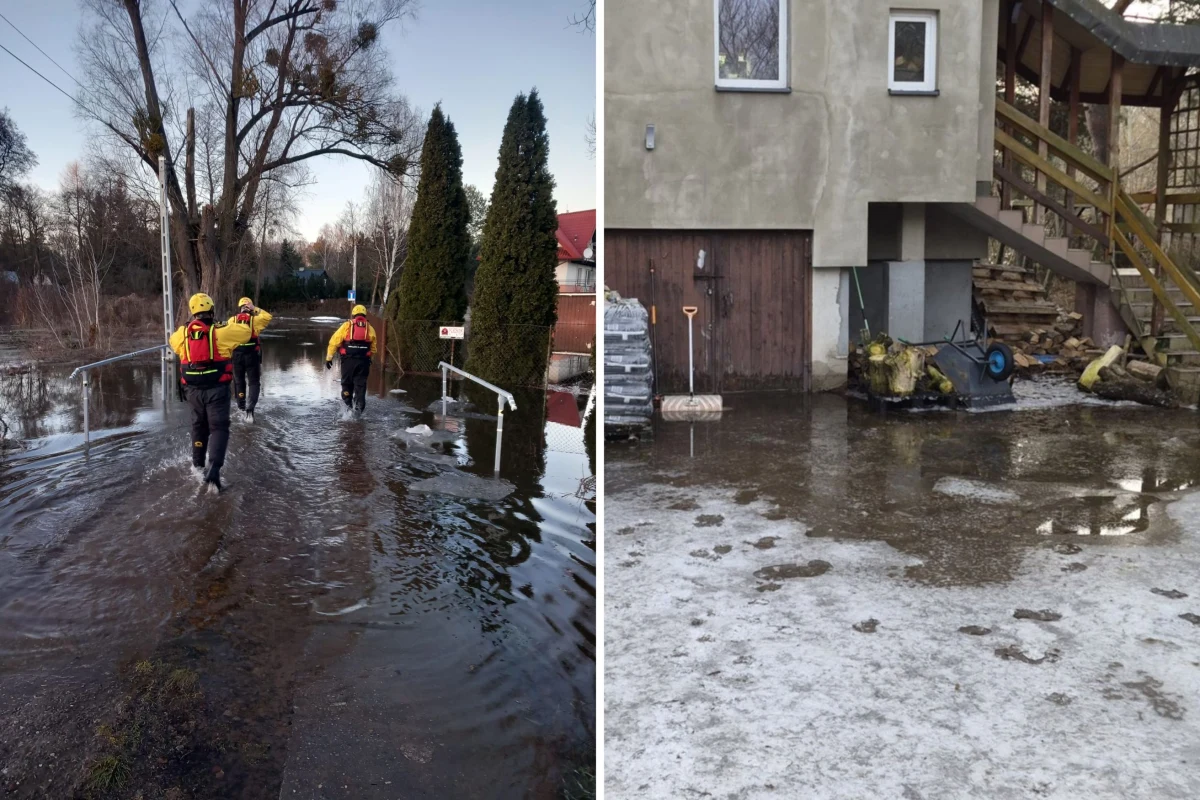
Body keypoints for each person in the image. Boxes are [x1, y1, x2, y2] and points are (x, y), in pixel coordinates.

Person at [170, 293, 251, 492]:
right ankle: (214, 469)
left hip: (193, 391)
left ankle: (197, 466)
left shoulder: (182, 334)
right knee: (219, 427)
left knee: (198, 424)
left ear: (193, 312)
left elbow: (173, 343)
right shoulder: (222, 331)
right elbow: (246, 334)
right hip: (217, 389)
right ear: (211, 310)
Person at [326, 304, 377, 416]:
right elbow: (373, 348)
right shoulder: (370, 328)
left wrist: (329, 358)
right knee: (360, 385)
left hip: (347, 361)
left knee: (347, 383)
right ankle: (358, 410)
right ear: (364, 315)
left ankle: (348, 407)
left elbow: (334, 342)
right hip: (363, 362)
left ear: (353, 315)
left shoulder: (347, 326)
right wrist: (369, 358)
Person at [227, 296, 273, 420]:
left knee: (239, 381)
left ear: (240, 308)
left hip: (237, 355)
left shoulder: (232, 320)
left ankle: (241, 407)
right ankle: (250, 408)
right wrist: (255, 309)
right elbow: (268, 317)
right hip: (252, 355)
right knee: (254, 382)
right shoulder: (255, 320)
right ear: (250, 308)